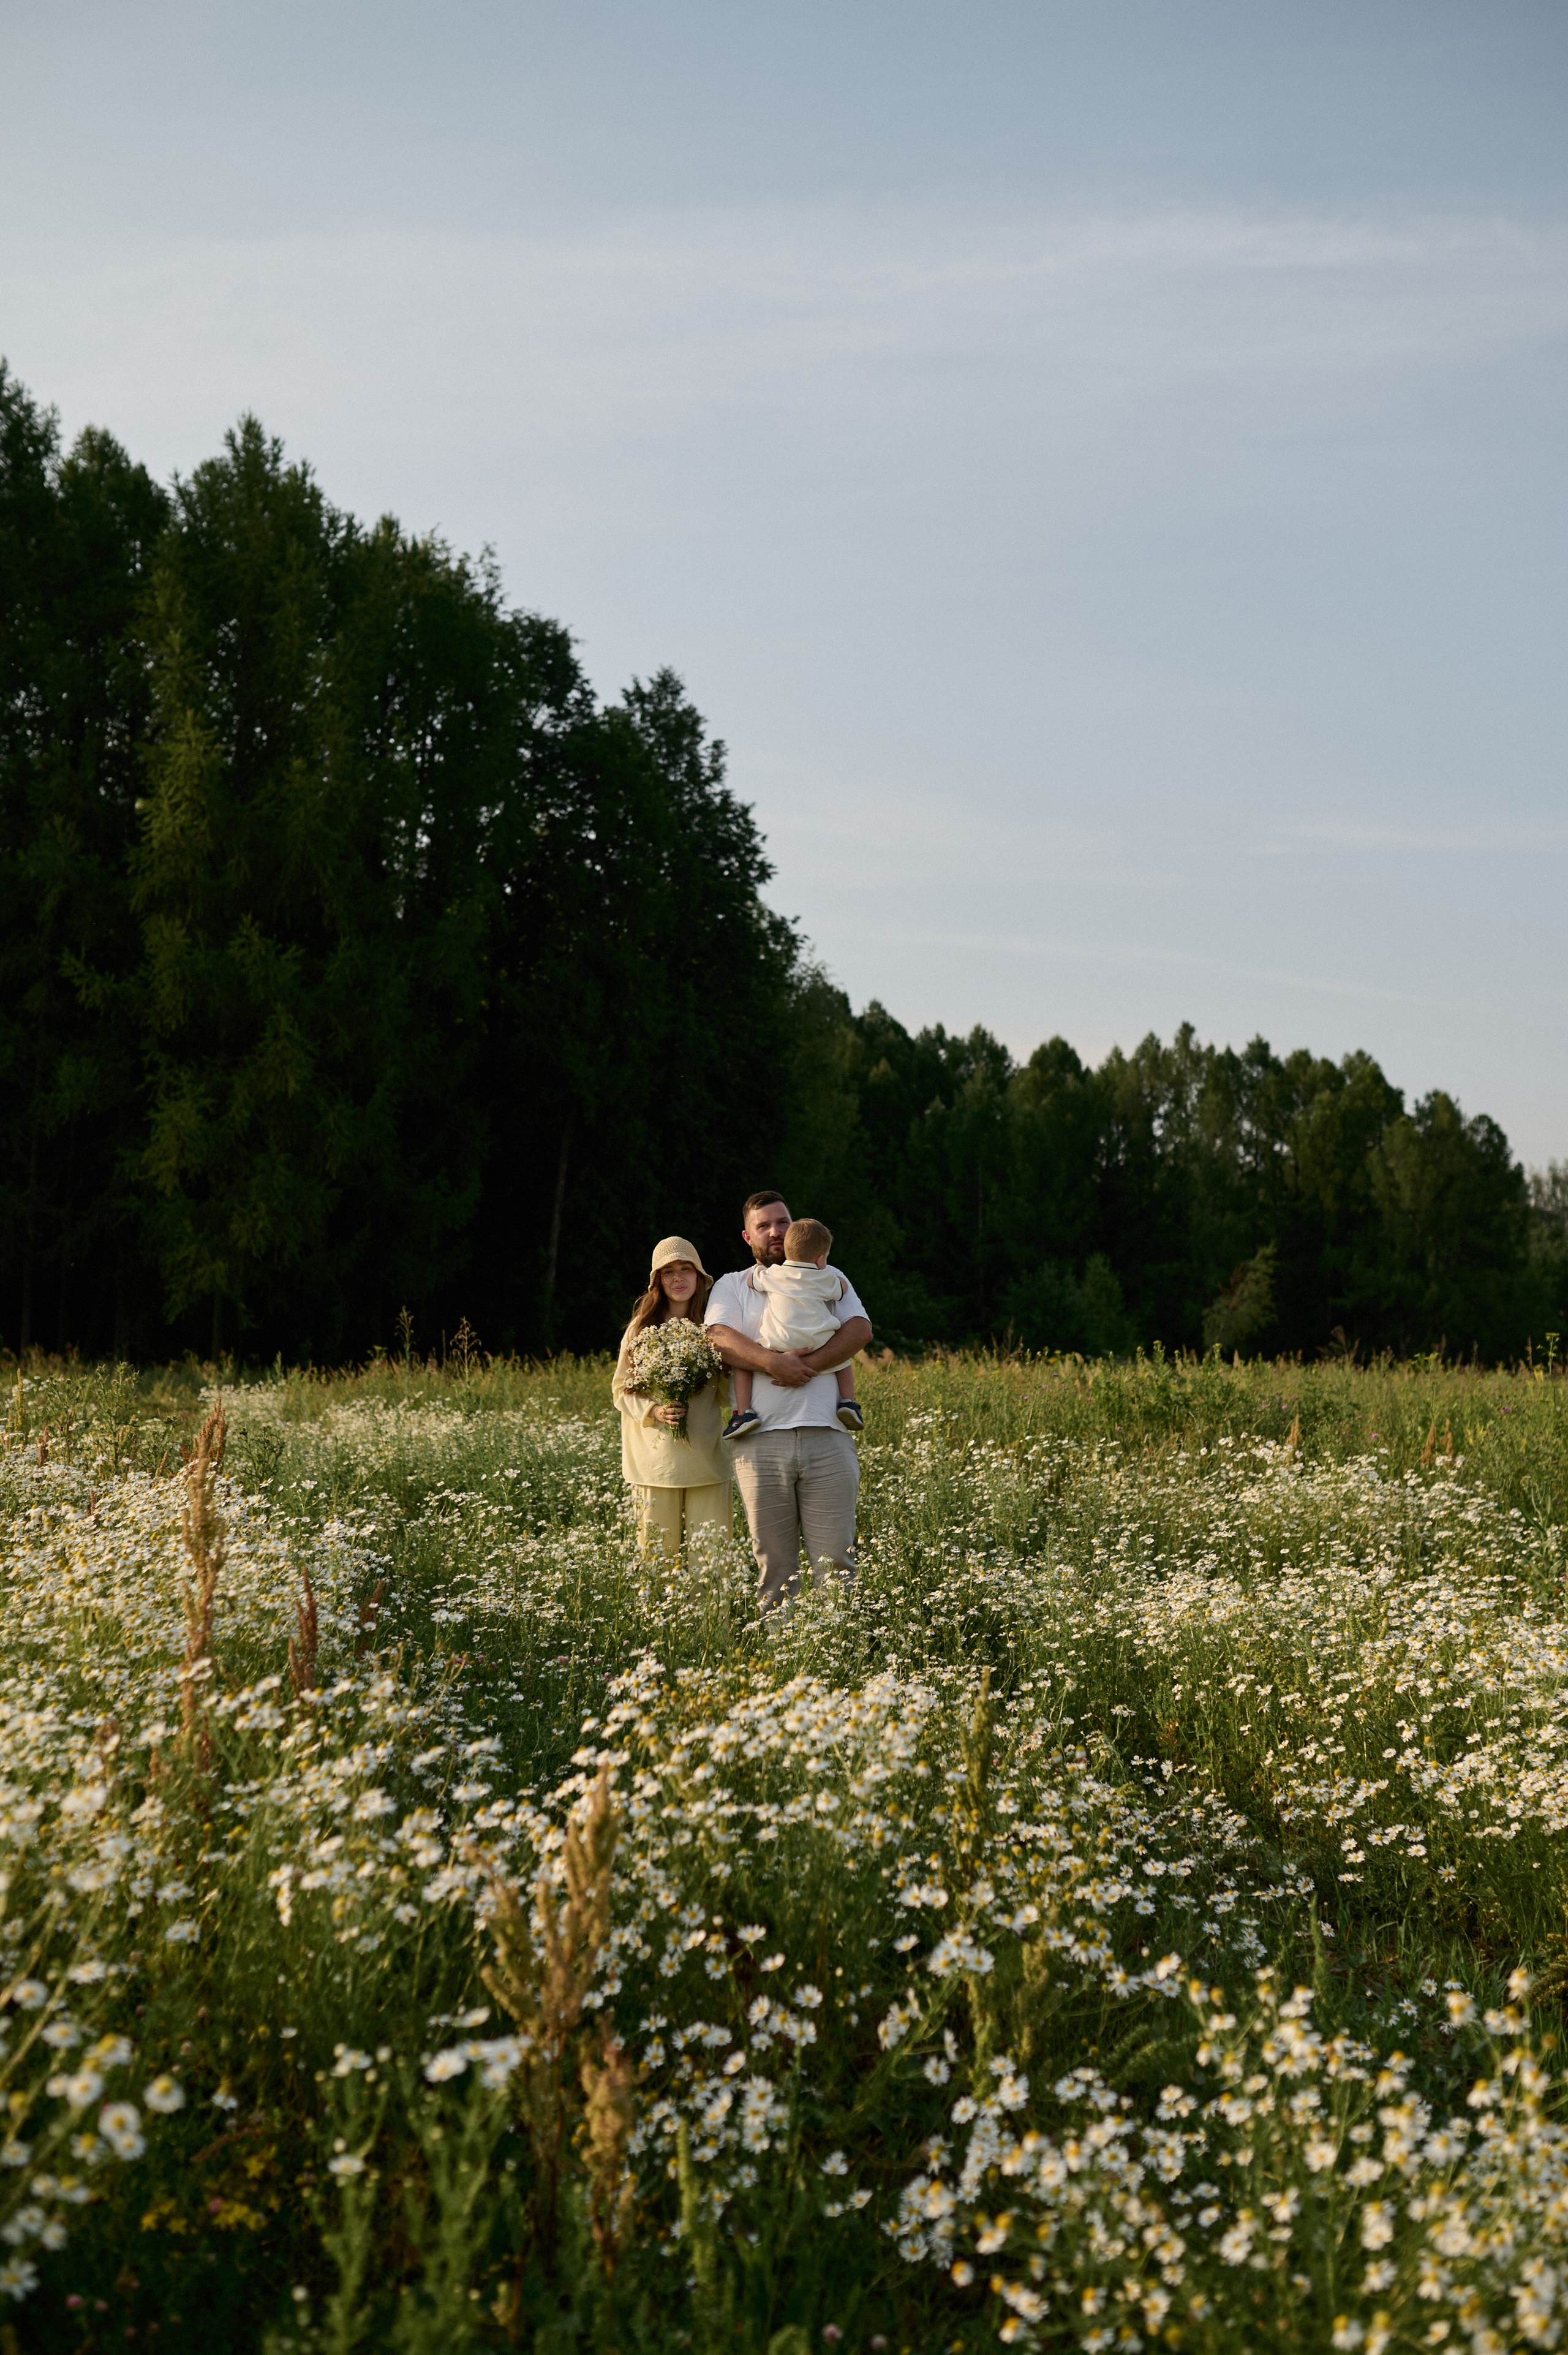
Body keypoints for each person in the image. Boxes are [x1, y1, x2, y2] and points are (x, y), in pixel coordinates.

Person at [705, 1191, 872, 1608]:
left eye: (783, 1222)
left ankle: (840, 1655)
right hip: (759, 1443)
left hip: (828, 1436)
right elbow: (719, 1339)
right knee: (776, 1570)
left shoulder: (828, 1273)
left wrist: (806, 1364)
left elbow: (859, 1331)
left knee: (837, 1565)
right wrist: (773, 1363)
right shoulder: (734, 1284)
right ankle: (781, 1660)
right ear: (748, 1236)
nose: (776, 1231)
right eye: (764, 1226)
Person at [611, 1236, 730, 1559]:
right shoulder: (640, 1328)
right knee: (655, 1560)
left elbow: (727, 1395)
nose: (678, 1279)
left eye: (686, 1269)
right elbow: (621, 1390)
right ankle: (655, 1612)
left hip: (706, 1458)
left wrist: (730, 1366)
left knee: (712, 1558)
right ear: (658, 1281)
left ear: (699, 1277)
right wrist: (655, 1411)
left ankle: (709, 1611)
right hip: (654, 1464)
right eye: (668, 1272)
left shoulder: (715, 1328)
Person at [723, 1217, 862, 1439]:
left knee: (743, 1362)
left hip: (777, 1344)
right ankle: (848, 1402)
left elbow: (753, 1282)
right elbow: (841, 1290)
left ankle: (743, 1413)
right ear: (820, 1259)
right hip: (816, 1343)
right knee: (843, 1360)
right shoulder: (825, 1276)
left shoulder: (774, 1275)